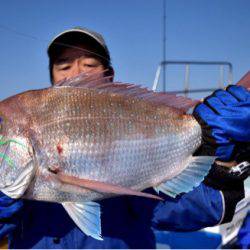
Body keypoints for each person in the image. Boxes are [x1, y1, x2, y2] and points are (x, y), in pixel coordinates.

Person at [0, 27, 249, 249]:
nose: (76, 74)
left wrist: (224, 164)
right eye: (64, 66)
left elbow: (198, 208)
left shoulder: (139, 122)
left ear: (109, 76)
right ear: (52, 79)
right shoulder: (26, 126)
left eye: (89, 65)